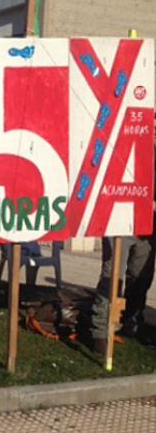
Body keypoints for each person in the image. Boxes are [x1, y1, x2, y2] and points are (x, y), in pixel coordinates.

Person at [90, 117, 156, 355]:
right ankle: (100, 331)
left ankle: (130, 322)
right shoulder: (121, 144)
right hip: (119, 221)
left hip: (147, 227)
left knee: (140, 278)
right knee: (112, 276)